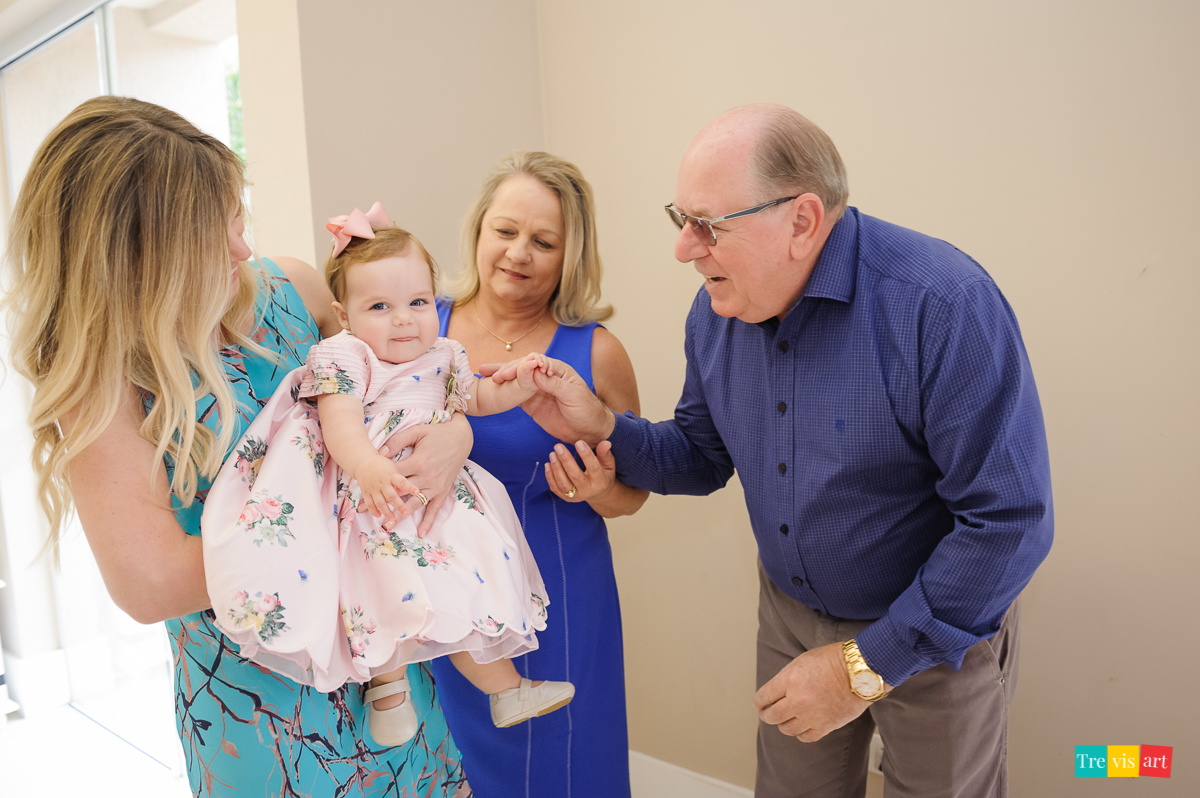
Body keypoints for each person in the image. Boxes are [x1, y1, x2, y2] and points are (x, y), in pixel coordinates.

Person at [511, 105, 1054, 797]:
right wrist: (602, 426)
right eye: (680, 220)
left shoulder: (942, 305)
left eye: (707, 225)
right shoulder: (717, 311)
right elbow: (702, 455)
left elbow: (1008, 524)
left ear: (801, 222)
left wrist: (860, 669)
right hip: (791, 618)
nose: (684, 249)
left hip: (933, 634)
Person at [3, 96, 471, 796]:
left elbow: (404, 388)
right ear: (135, 252)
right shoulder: (107, 387)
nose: (242, 248)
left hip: (389, 673)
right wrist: (343, 518)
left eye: (235, 217)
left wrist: (453, 439)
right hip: (266, 720)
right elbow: (149, 582)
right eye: (209, 233)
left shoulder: (296, 292)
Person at [201, 205, 575, 746]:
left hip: (441, 498)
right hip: (377, 493)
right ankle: (390, 694)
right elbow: (340, 421)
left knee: (462, 592)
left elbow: (478, 396)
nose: (404, 319)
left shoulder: (444, 353)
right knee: (385, 594)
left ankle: (506, 689)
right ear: (344, 314)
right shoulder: (347, 353)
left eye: (418, 302)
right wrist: (369, 466)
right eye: (381, 306)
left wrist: (522, 384)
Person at [429, 151, 647, 798]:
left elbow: (633, 492)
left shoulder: (596, 352)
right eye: (505, 231)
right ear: (479, 232)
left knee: (564, 770)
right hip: (439, 603)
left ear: (568, 256)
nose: (518, 253)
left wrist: (600, 488)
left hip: (557, 601)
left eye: (542, 241)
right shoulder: (419, 328)